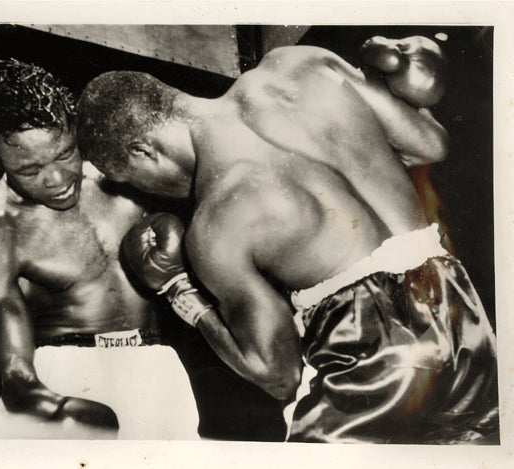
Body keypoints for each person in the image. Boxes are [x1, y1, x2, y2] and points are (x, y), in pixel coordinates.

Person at [76, 36, 499, 444]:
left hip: (371, 354)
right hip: (458, 304)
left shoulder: (215, 222)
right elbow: (430, 145)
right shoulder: (299, 63)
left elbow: (279, 375)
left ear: (142, 151)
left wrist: (180, 292)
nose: (154, 192)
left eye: (136, 183)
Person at [0, 59, 199, 439]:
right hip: (67, 376)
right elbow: (16, 375)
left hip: (158, 366)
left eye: (65, 153)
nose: (56, 179)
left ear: (74, 128)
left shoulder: (121, 172)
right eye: (29, 170)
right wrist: (52, 405)